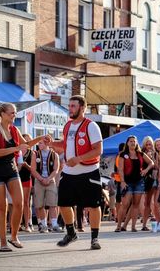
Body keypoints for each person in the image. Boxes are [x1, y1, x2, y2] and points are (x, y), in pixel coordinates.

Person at [46, 95, 103, 250]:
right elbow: (65, 144)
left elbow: (98, 150)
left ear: (82, 108)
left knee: (93, 205)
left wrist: (78, 159)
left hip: (89, 171)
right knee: (63, 204)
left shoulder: (91, 126)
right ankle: (71, 233)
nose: (70, 108)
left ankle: (94, 238)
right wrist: (51, 144)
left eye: (73, 106)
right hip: (69, 172)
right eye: (69, 105)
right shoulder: (68, 126)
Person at [0, 102, 45, 252]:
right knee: (1, 208)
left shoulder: (14, 129)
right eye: (12, 113)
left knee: (19, 203)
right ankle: (3, 243)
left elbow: (25, 144)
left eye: (15, 112)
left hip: (11, 168)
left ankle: (14, 236)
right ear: (3, 114)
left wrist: (41, 138)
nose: (14, 115)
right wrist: (16, 148)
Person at [116, 135, 154, 232]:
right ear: (127, 143)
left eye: (134, 141)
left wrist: (146, 170)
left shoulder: (140, 154)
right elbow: (120, 169)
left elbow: (151, 163)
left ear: (137, 143)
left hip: (139, 181)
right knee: (124, 204)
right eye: (131, 141)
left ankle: (133, 226)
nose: (133, 143)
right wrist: (123, 182)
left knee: (136, 204)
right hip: (127, 182)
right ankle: (119, 226)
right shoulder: (123, 154)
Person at [31, 139, 60, 233]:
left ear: (47, 143)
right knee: (40, 205)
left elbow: (56, 169)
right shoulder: (35, 154)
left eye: (41, 143)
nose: (39, 144)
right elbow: (33, 169)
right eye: (38, 143)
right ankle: (43, 225)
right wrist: (41, 179)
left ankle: (54, 224)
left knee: (52, 204)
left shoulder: (54, 154)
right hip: (39, 181)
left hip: (50, 181)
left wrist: (48, 179)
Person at [17, 134, 34, 233]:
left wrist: (25, 165)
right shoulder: (16, 151)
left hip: (26, 178)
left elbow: (33, 169)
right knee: (16, 203)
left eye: (28, 141)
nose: (26, 142)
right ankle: (17, 224)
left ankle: (27, 224)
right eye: (24, 140)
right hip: (16, 178)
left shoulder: (32, 153)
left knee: (26, 203)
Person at [141, 136, 156, 231]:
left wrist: (153, 159)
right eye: (147, 144)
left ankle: (144, 225)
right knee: (139, 202)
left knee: (149, 202)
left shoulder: (155, 153)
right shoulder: (141, 153)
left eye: (150, 144)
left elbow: (156, 167)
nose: (148, 146)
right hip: (141, 180)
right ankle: (125, 224)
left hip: (151, 180)